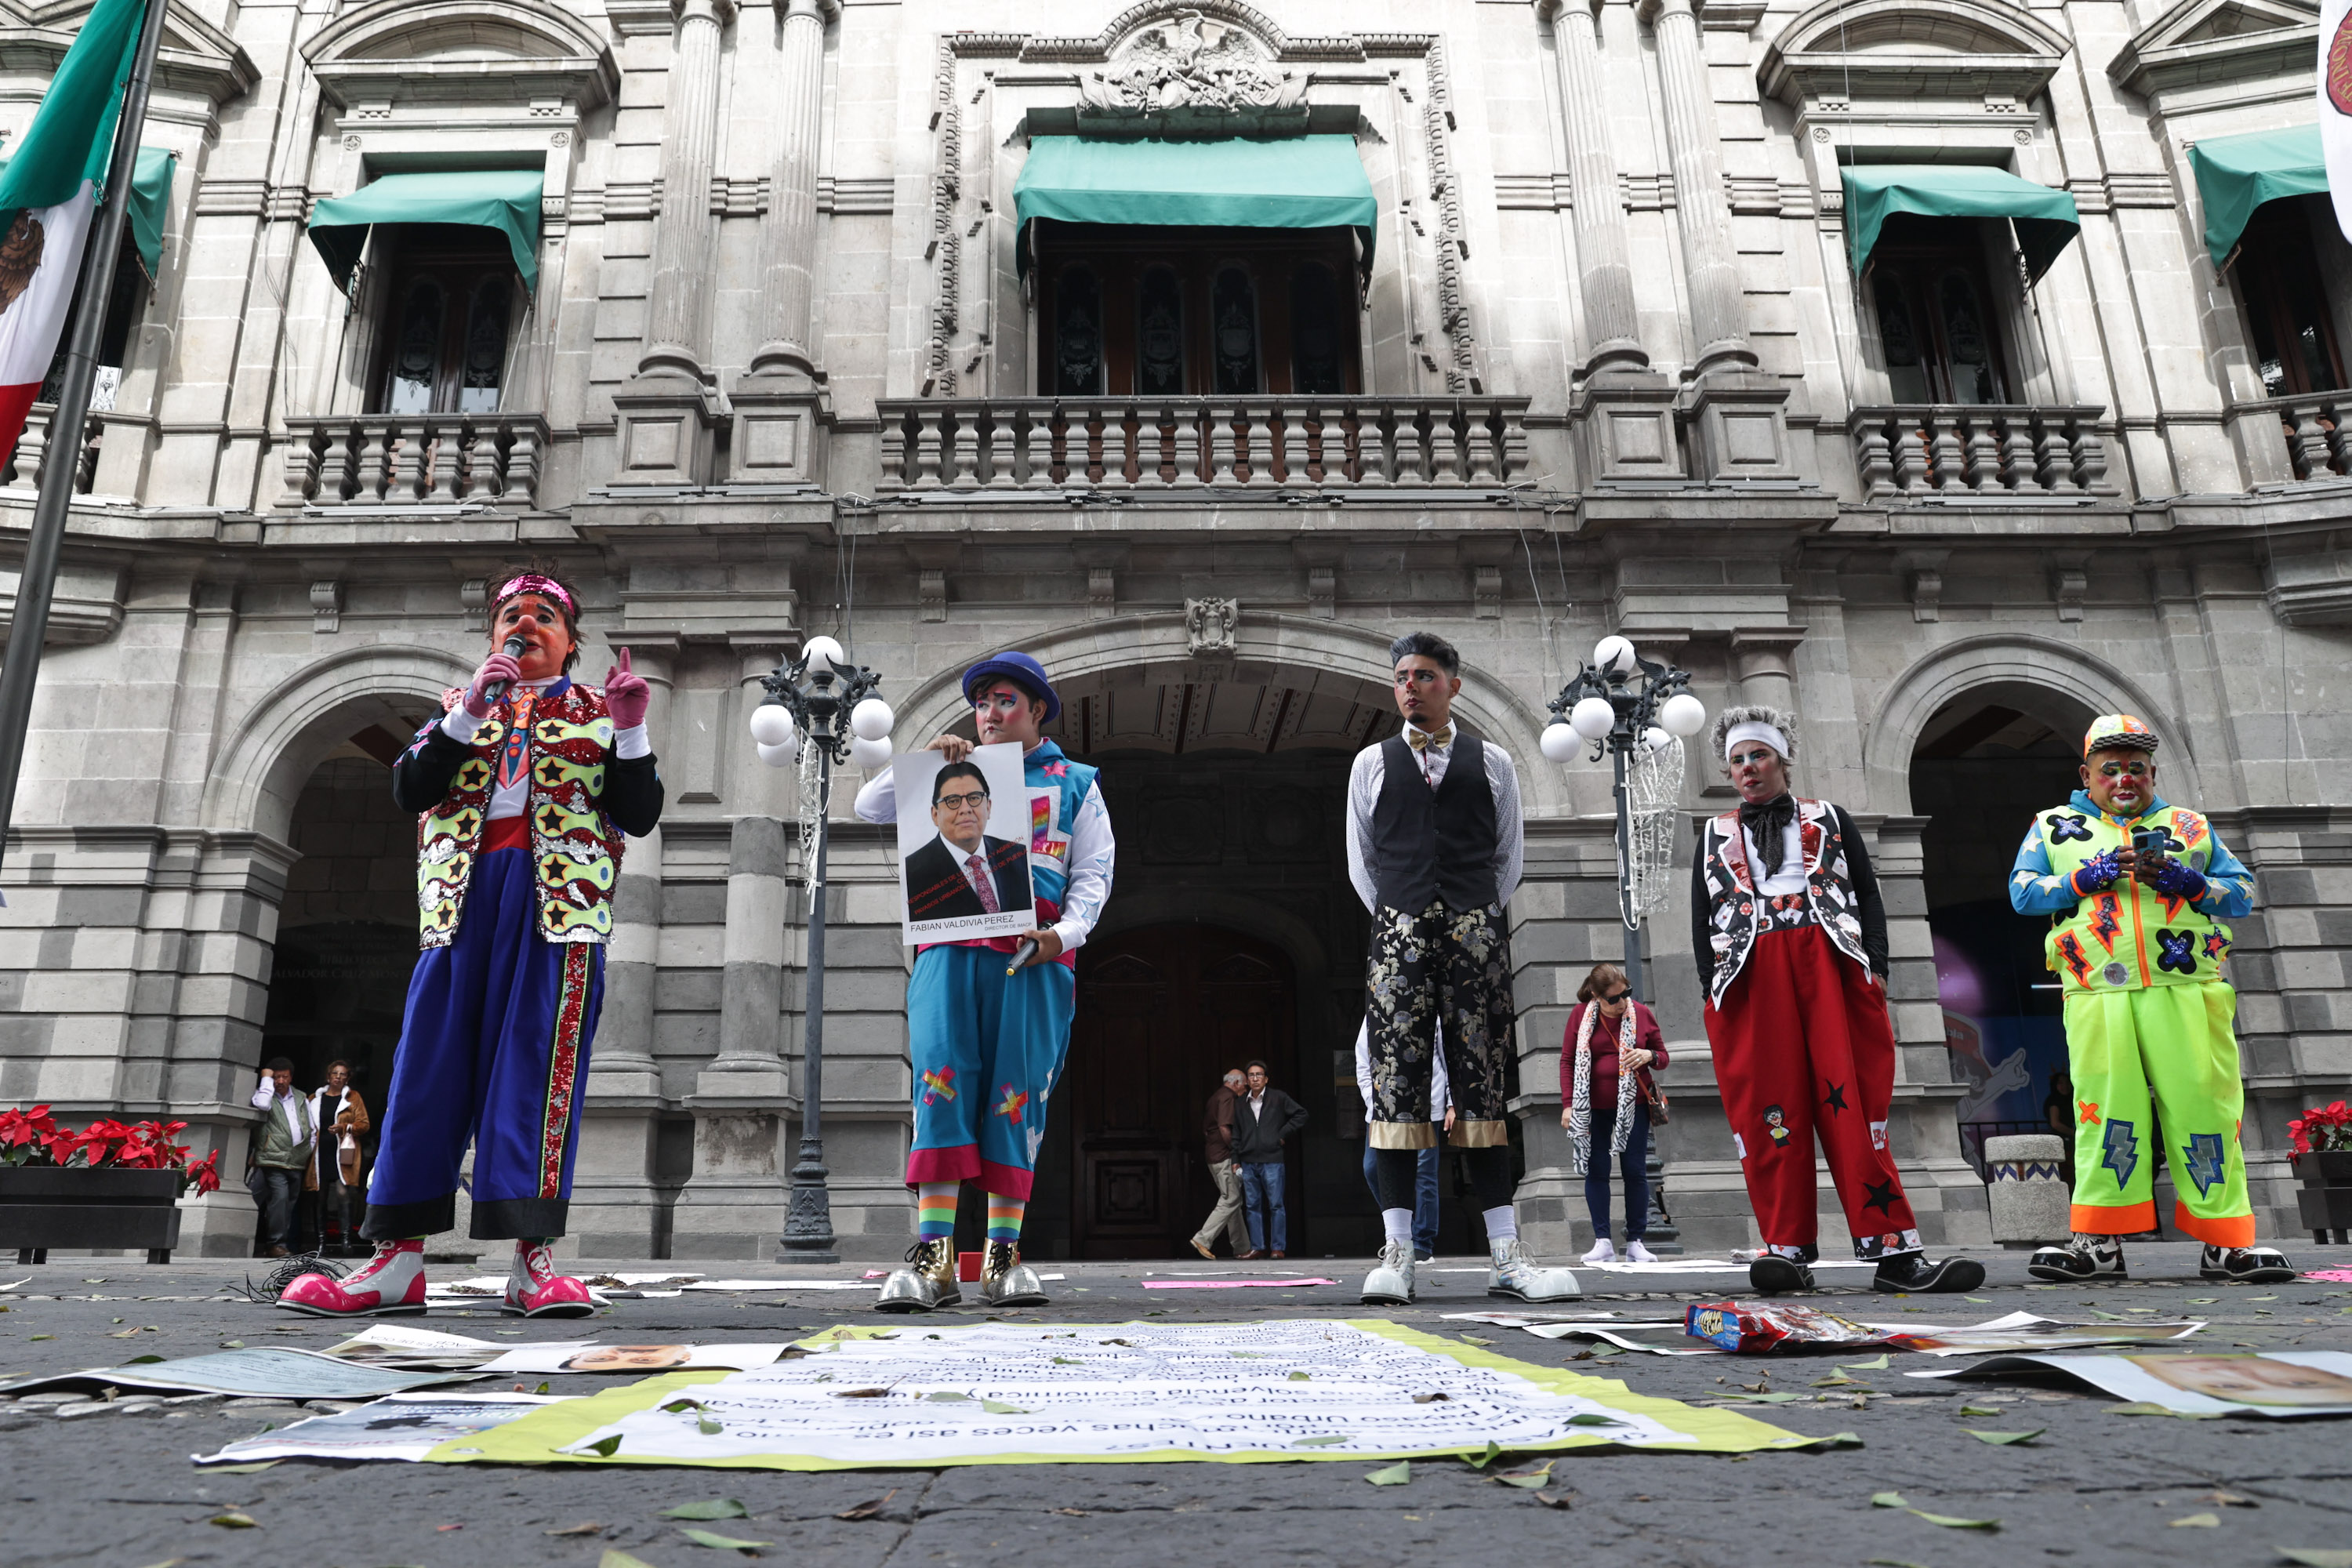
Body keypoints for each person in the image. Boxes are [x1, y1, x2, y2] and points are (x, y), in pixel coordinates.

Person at [278, 568, 663, 1319]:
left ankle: (532, 1263)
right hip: (459, 908)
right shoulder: (456, 710)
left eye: (545, 615)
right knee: (428, 1072)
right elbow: (411, 791)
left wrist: (630, 728)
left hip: (558, 912)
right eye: (512, 616)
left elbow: (639, 812)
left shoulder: (598, 711)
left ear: (571, 642)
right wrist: (470, 713)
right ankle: (396, 1262)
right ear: (491, 637)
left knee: (536, 1076)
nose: (527, 625)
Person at [1691, 704, 1984, 1295]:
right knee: (1771, 1112)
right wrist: (1710, 988)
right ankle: (1787, 1251)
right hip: (1751, 976)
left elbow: (1869, 896)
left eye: (1759, 755)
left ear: (1784, 761)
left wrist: (1875, 964)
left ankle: (1896, 1255)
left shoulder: (1830, 818)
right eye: (1738, 760)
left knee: (1855, 1108)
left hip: (1829, 964)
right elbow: (1701, 916)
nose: (1748, 768)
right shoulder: (1714, 833)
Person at [859, 652, 1116, 1311]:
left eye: (1006, 702)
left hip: (1032, 958)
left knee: (1016, 1097)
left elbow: (1094, 875)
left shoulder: (1077, 782)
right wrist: (925, 762)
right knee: (939, 1084)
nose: (991, 714)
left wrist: (1064, 936)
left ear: (1036, 712)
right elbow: (868, 805)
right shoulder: (955, 772)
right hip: (948, 949)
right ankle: (934, 1258)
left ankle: (1003, 1258)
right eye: (983, 703)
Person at [2008, 713, 2293, 1284]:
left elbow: (2240, 893)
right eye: (2109, 768)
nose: (2123, 779)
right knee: (2102, 1112)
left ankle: (2226, 1242)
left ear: (2153, 772)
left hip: (2186, 989)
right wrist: (2085, 879)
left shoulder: (2189, 825)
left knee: (2205, 1106)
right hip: (2098, 991)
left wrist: (2189, 884)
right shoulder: (2052, 825)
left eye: (2135, 768)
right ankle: (2098, 1241)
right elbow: (2023, 893)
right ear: (2085, 774)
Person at [1348, 630, 1580, 1305]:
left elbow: (1509, 856)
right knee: (1395, 1090)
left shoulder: (1496, 762)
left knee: (1481, 1089)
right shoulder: (1371, 763)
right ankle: (1398, 1252)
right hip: (1399, 931)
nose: (1410, 686)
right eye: (1401, 677)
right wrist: (1406, 910)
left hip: (1476, 930)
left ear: (1453, 683)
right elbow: (1363, 861)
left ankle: (1506, 1254)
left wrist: (1471, 910)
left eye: (1423, 675)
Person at [1559, 962, 1666, 1265]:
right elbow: (1568, 1061)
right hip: (1591, 1108)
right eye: (1614, 998)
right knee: (1597, 1171)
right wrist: (1569, 1104)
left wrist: (1649, 1055)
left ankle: (1636, 1242)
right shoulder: (1580, 1016)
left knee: (1634, 1171)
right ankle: (1602, 1242)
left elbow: (1663, 1057)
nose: (1621, 1003)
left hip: (1634, 1107)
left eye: (1625, 994)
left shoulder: (1642, 1014)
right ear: (1596, 995)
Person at [1354, 1021, 1449, 1261]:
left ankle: (1422, 1243)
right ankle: (1399, 1230)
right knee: (1372, 1168)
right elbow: (1363, 1063)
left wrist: (1451, 1104)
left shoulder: (1433, 1012)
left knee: (1424, 1171)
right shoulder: (1373, 1013)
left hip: (1428, 1104)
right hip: (1383, 1108)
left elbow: (1447, 1059)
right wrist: (1371, 1101)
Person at [904, 760, 1032, 924]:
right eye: (953, 801)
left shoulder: (1018, 856)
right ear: (935, 814)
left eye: (974, 798)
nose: (965, 809)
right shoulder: (912, 872)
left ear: (988, 808)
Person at [1231, 1060, 1308, 1258]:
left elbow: (1301, 1114)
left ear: (1266, 1079)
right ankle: (1257, 1247)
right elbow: (1236, 1133)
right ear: (1247, 1080)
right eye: (1251, 1076)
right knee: (1252, 1206)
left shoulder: (1278, 1098)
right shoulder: (1240, 1103)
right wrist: (1235, 1159)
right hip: (1248, 1161)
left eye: (1259, 1075)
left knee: (1276, 1204)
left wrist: (1281, 1134)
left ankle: (1277, 1248)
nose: (1255, 1079)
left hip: (1272, 1159)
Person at [249, 1058, 314, 1258]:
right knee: (280, 1199)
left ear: (291, 1077)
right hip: (273, 1159)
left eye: (284, 1076)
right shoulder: (265, 1094)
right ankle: (276, 1243)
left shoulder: (302, 1097)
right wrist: (266, 1080)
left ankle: (278, 1243)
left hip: (296, 1160)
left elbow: (311, 1128)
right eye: (276, 1076)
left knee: (288, 1203)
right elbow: (263, 1105)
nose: (280, 1081)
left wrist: (307, 1150)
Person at [1189, 1068, 1252, 1260]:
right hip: (1224, 1156)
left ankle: (1242, 1248)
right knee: (1231, 1199)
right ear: (1236, 1083)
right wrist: (1236, 1152)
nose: (1246, 1090)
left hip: (1214, 1155)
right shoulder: (1228, 1097)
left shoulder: (1216, 1096)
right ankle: (1203, 1238)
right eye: (1244, 1086)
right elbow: (1225, 1127)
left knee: (1233, 1200)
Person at [309, 1060, 370, 1256]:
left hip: (343, 1152)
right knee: (320, 1195)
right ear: (328, 1076)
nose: (338, 1077)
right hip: (319, 1153)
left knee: (344, 1194)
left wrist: (344, 1127)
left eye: (343, 1074)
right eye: (335, 1073)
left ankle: (345, 1239)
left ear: (348, 1078)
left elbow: (364, 1124)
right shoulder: (314, 1098)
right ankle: (320, 1242)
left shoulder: (353, 1097)